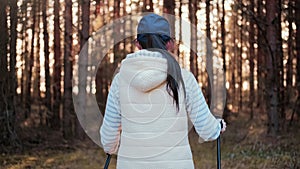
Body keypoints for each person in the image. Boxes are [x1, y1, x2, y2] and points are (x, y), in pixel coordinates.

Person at [100, 13, 226, 169]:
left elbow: (109, 136)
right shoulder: (184, 78)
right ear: (169, 44)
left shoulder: (120, 80)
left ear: (138, 44)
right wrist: (218, 127)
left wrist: (111, 148)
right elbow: (207, 130)